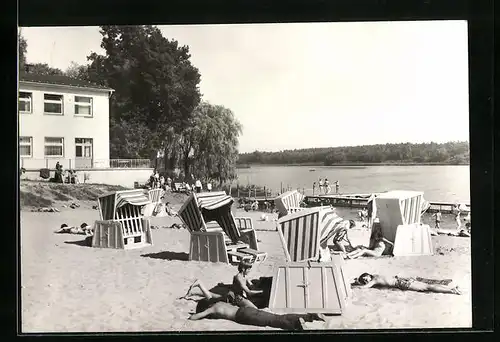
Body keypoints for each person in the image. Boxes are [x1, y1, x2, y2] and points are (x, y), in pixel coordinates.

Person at [188, 301, 326, 330]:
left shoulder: (213, 308)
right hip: (246, 309)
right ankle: (310, 317)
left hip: (242, 316)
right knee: (276, 316)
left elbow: (197, 316)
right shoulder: (219, 302)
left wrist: (192, 316)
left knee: (273, 322)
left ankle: (296, 325)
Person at [352, 272, 462, 295]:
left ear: (367, 274)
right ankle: (451, 288)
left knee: (428, 287)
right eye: (364, 280)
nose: (365, 280)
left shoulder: (374, 280)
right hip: (403, 279)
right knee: (427, 286)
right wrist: (358, 279)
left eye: (364, 278)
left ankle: (451, 290)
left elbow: (364, 288)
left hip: (401, 283)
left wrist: (355, 285)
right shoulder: (376, 275)